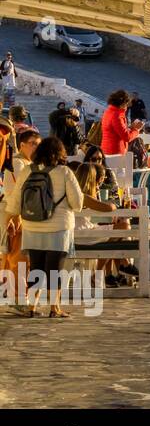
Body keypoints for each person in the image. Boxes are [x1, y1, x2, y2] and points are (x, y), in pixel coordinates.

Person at [5, 136, 82, 317]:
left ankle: (32, 307)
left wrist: (10, 217)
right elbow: (77, 203)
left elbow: (16, 201)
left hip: (32, 227)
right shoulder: (64, 172)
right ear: (60, 153)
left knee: (36, 269)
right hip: (58, 229)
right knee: (54, 270)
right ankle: (54, 308)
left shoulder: (27, 171)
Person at [100, 89, 136, 157]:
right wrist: (136, 130)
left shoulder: (108, 111)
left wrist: (130, 128)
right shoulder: (117, 115)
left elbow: (117, 131)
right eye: (127, 104)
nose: (127, 106)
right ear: (123, 104)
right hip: (115, 153)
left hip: (106, 149)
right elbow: (127, 137)